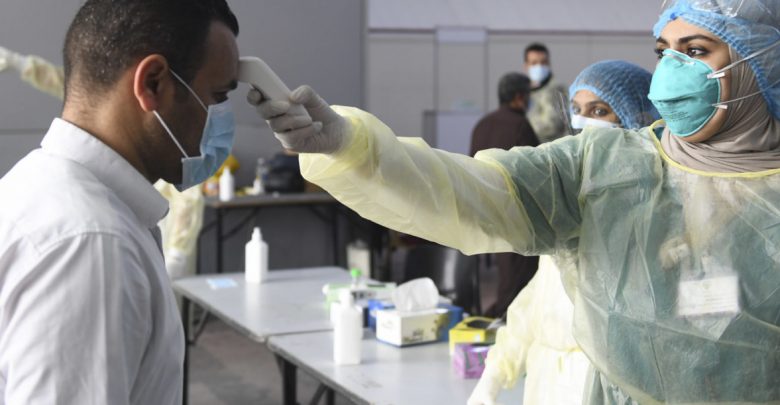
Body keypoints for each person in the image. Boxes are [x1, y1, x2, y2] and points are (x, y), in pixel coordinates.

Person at [249, 0, 780, 403]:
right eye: (664, 53)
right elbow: (471, 191)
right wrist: (353, 147)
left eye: (695, 52)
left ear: (764, 62)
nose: (671, 72)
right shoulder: (606, 167)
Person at [0, 0, 239, 403]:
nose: (223, 121)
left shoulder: (34, 186)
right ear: (153, 84)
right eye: (217, 96)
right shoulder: (92, 244)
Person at [468, 60, 659, 405]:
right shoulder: (570, 194)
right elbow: (536, 298)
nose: (583, 122)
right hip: (545, 381)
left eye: (598, 111)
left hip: (596, 381)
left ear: (637, 118)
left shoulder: (654, 211)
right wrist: (495, 372)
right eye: (576, 110)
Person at [0, 46, 206, 282]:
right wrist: (21, 64)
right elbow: (65, 85)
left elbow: (189, 199)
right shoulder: (89, 235)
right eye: (217, 94)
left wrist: (178, 253)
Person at [470, 72, 540, 318]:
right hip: (516, 214)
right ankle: (502, 322)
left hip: (487, 210)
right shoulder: (520, 125)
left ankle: (498, 317)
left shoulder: (482, 125)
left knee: (505, 274)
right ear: (519, 97)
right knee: (518, 283)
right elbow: (536, 171)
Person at [523, 43, 568, 143]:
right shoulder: (524, 91)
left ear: (549, 64)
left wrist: (523, 126)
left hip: (550, 148)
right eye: (534, 63)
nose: (539, 66)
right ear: (526, 66)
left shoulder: (556, 89)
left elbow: (551, 127)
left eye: (543, 62)